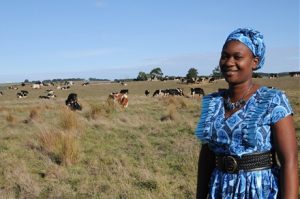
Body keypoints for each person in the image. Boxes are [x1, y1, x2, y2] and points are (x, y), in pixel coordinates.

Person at [195, 28, 298, 198]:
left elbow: (290, 161)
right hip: (219, 189)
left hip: (259, 190)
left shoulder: (273, 101)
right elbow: (206, 158)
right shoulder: (213, 103)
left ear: (255, 62)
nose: (229, 62)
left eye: (237, 57)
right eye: (225, 56)